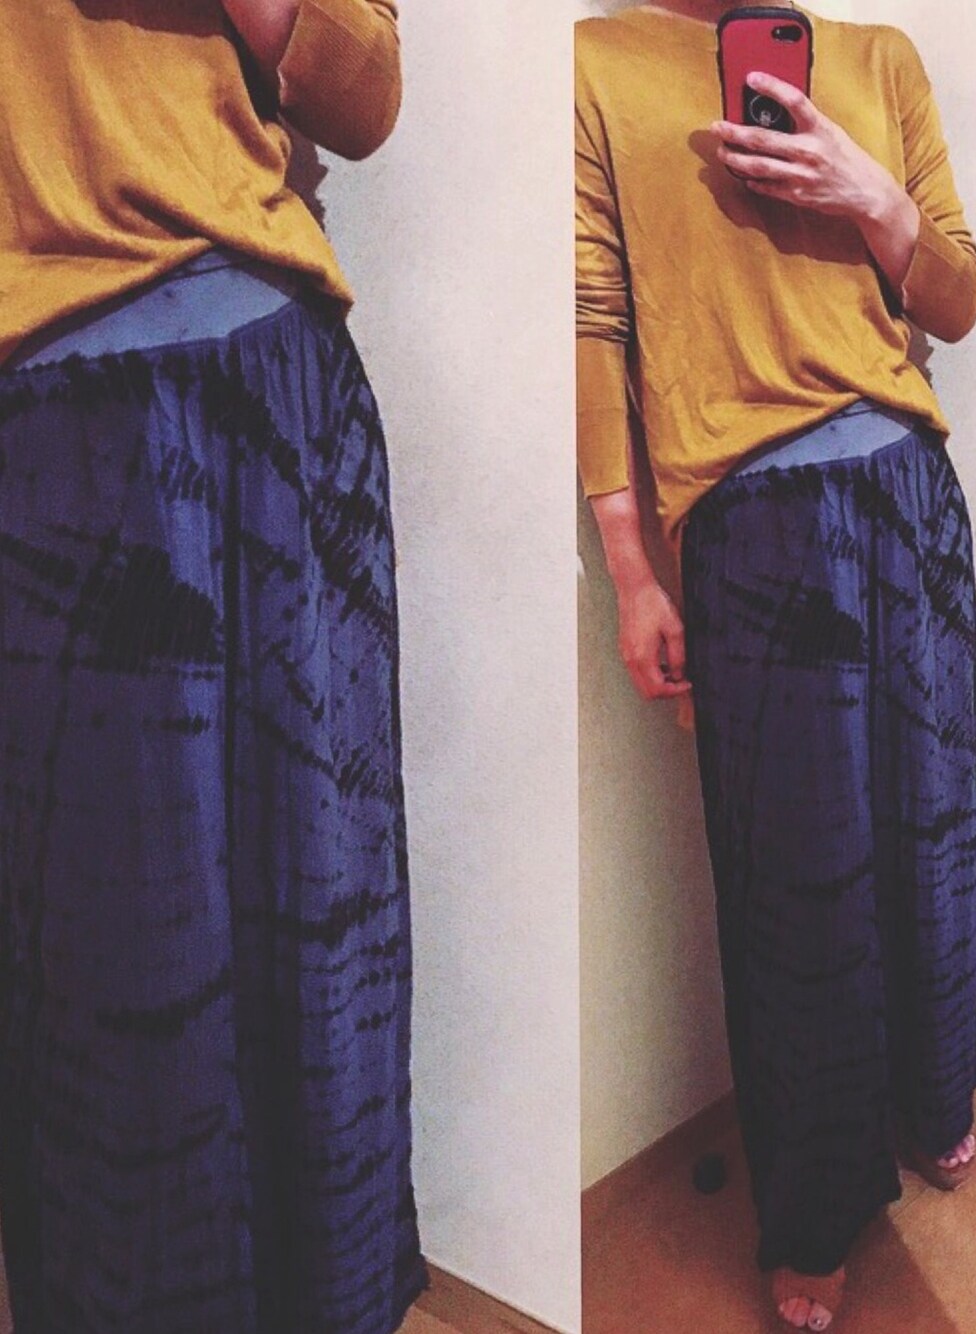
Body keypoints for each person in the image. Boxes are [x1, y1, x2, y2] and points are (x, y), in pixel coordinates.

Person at [0, 3, 427, 1331]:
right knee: (110, 978)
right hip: (43, 407)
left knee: (323, 928)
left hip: (276, 383)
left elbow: (365, 89)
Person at [576, 1, 976, 1329]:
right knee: (796, 885)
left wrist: (877, 201)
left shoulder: (879, 58)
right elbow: (595, 317)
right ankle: (813, 1210)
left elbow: (956, 298)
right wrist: (632, 568)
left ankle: (937, 1088)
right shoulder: (596, 62)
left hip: (907, 487)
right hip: (747, 515)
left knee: (935, 831)